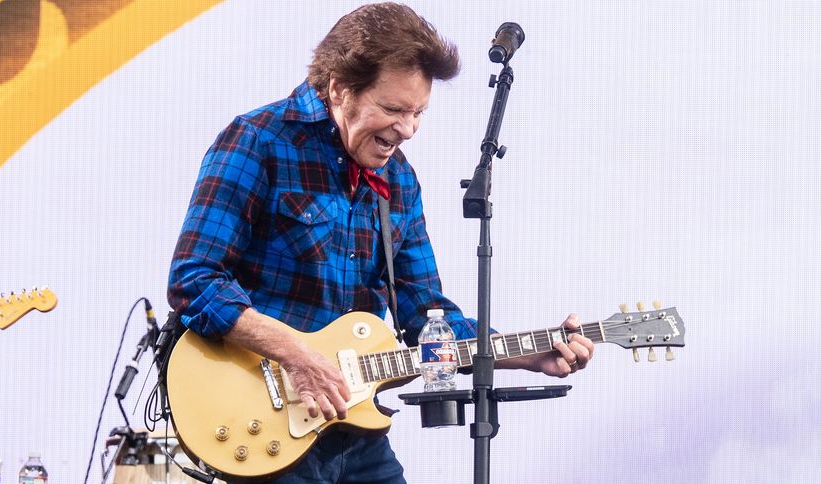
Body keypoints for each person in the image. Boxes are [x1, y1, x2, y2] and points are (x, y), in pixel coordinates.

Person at [167, 3, 594, 482]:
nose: (407, 129)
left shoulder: (400, 181)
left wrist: (521, 354)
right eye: (392, 109)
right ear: (339, 88)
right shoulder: (258, 141)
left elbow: (425, 315)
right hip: (261, 425)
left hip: (358, 432)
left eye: (418, 112)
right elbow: (194, 280)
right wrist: (297, 355)